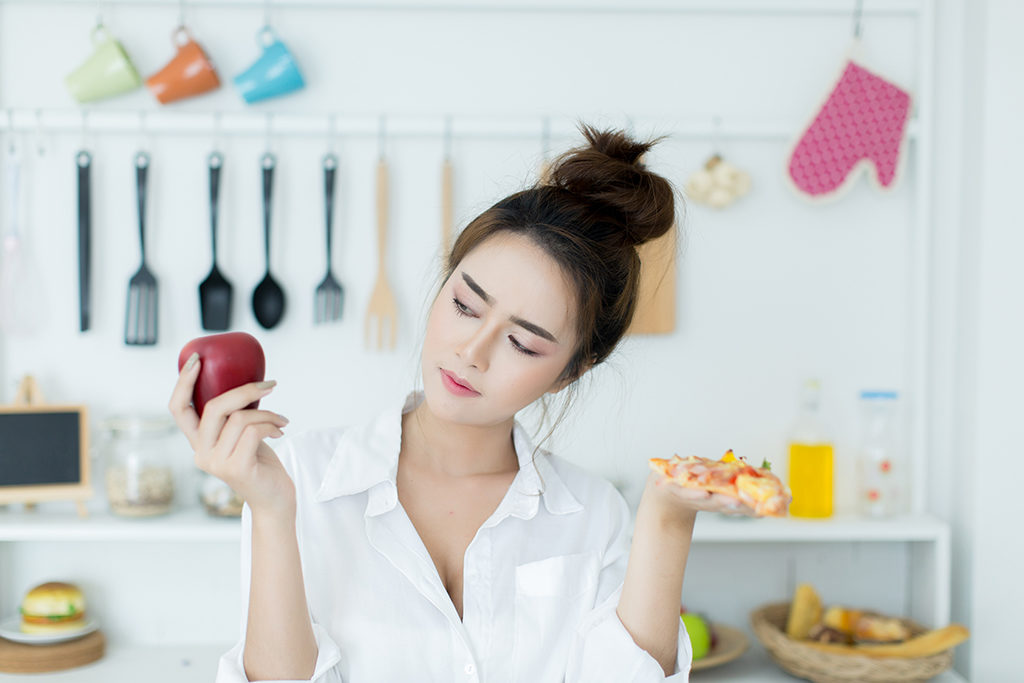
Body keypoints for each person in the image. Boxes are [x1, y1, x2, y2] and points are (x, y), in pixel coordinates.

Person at [169, 123, 756, 683]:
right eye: (466, 306)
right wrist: (272, 514)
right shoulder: (296, 482)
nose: (471, 352)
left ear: (571, 372)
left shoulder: (593, 513)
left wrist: (669, 518)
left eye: (523, 342)